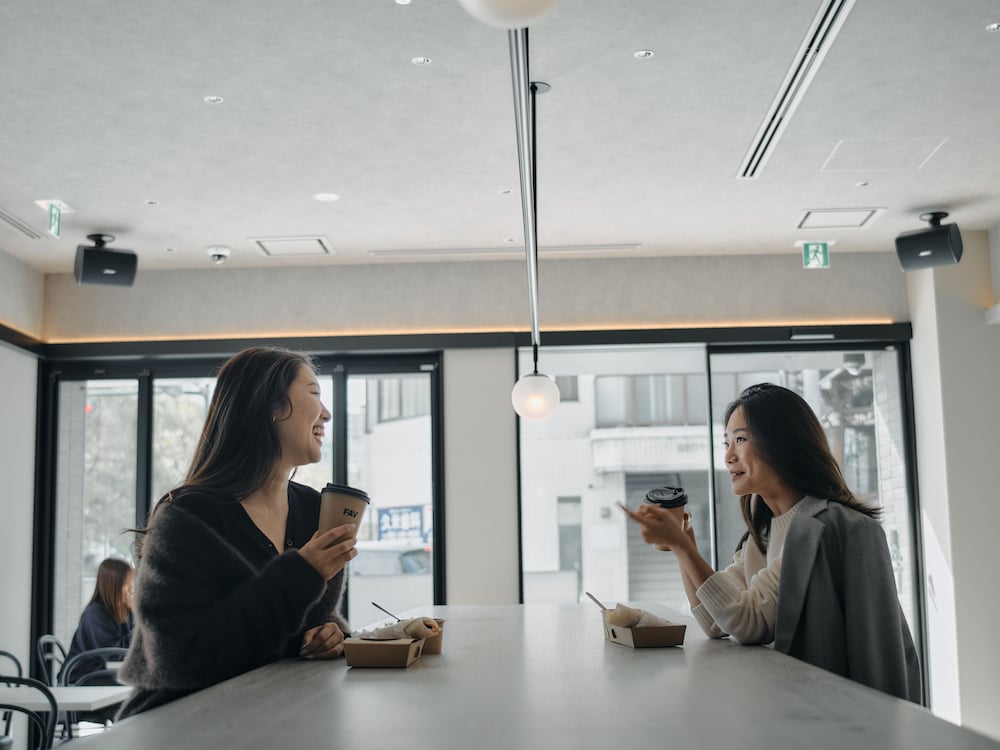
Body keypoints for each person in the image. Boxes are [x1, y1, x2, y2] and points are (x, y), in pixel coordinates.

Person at [623, 382, 922, 702]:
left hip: (839, 718)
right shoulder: (760, 539)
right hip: (787, 709)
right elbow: (715, 620)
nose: (727, 456)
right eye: (726, 443)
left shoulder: (837, 528)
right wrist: (684, 545)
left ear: (782, 443)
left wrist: (683, 547)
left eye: (740, 439)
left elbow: (748, 622)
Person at [117, 347, 358, 719]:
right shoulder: (186, 517)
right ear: (273, 407)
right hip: (179, 724)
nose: (326, 413)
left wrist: (330, 636)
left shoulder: (315, 511)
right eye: (313, 394)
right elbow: (181, 657)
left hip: (275, 718)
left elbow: (302, 624)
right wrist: (302, 573)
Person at [62, 558, 134, 684]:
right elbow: (115, 658)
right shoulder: (95, 614)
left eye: (131, 583)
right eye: (127, 584)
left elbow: (130, 650)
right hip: (84, 678)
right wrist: (138, 617)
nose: (131, 589)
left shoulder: (125, 610)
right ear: (113, 585)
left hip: (105, 675)